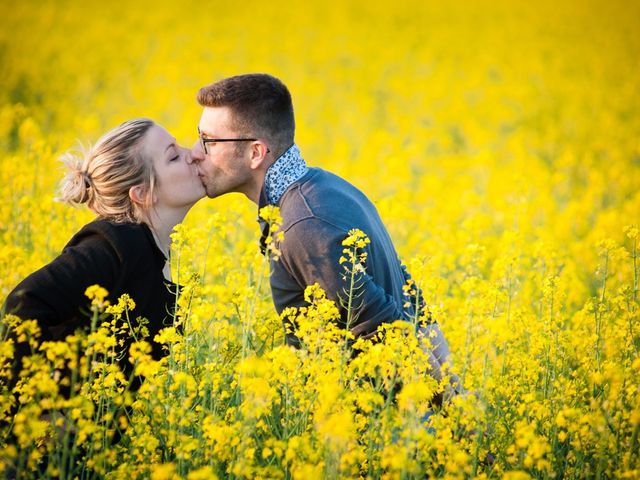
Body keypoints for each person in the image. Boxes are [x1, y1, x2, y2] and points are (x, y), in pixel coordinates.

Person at [189, 73, 462, 396]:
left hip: (382, 428)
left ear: (255, 153)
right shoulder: (326, 187)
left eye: (209, 141)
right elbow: (411, 299)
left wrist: (456, 416)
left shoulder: (304, 224)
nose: (194, 152)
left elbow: (384, 327)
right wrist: (458, 391)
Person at [3, 118, 204, 371]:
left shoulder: (153, 253)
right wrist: (42, 401)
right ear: (142, 194)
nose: (193, 154)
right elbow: (23, 304)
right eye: (174, 156)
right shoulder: (115, 246)